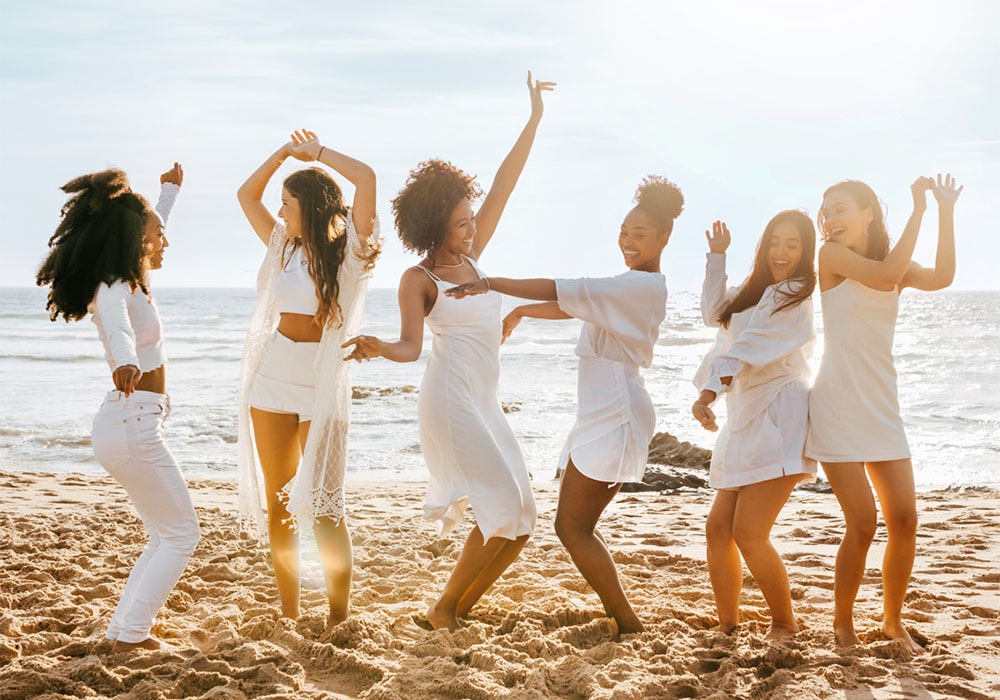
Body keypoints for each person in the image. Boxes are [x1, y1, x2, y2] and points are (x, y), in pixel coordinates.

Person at [341, 72, 553, 631]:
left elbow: (506, 183)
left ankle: (454, 609)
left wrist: (533, 119)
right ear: (437, 224)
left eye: (472, 219)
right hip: (451, 401)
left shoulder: (476, 256)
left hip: (485, 402)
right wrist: (376, 346)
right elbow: (411, 348)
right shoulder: (419, 277)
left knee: (524, 520)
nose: (472, 226)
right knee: (499, 507)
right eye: (461, 222)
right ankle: (443, 608)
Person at [444, 175, 684, 635]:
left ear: (663, 239)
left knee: (572, 528)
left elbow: (559, 285)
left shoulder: (641, 287)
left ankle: (628, 621)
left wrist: (490, 283)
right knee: (575, 526)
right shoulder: (628, 285)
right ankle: (624, 618)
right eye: (624, 232)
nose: (627, 242)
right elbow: (573, 303)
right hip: (606, 411)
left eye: (639, 235)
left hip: (615, 413)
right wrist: (519, 312)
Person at [36, 164, 200, 653]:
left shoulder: (131, 274)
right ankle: (130, 636)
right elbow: (116, 325)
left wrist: (168, 191)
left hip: (131, 423)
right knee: (182, 534)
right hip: (132, 423)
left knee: (164, 533)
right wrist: (125, 361)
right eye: (157, 235)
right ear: (137, 237)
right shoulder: (113, 286)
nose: (165, 241)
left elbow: (151, 221)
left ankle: (124, 631)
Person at [805, 175, 962, 652]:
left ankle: (893, 622)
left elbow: (942, 277)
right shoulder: (831, 259)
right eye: (825, 210)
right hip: (836, 404)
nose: (829, 219)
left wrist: (944, 210)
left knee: (906, 520)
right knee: (863, 524)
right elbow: (887, 276)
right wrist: (917, 209)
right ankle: (843, 626)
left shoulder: (892, 265)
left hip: (881, 406)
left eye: (840, 209)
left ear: (869, 213)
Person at [236, 129, 379, 636]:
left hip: (322, 386)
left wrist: (313, 153)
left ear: (311, 207)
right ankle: (290, 614)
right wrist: (279, 155)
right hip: (271, 378)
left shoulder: (352, 254)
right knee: (280, 503)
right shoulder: (284, 245)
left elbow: (366, 177)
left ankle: (339, 617)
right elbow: (245, 195)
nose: (279, 211)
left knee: (323, 507)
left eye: (288, 203)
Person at [690, 212, 817, 641]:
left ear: (805, 253)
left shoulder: (795, 294)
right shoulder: (754, 291)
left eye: (792, 245)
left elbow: (747, 347)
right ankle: (728, 625)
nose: (781, 253)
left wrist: (709, 392)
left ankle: (785, 622)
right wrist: (717, 258)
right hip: (743, 412)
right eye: (775, 242)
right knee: (717, 529)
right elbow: (713, 314)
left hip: (778, 410)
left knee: (749, 531)